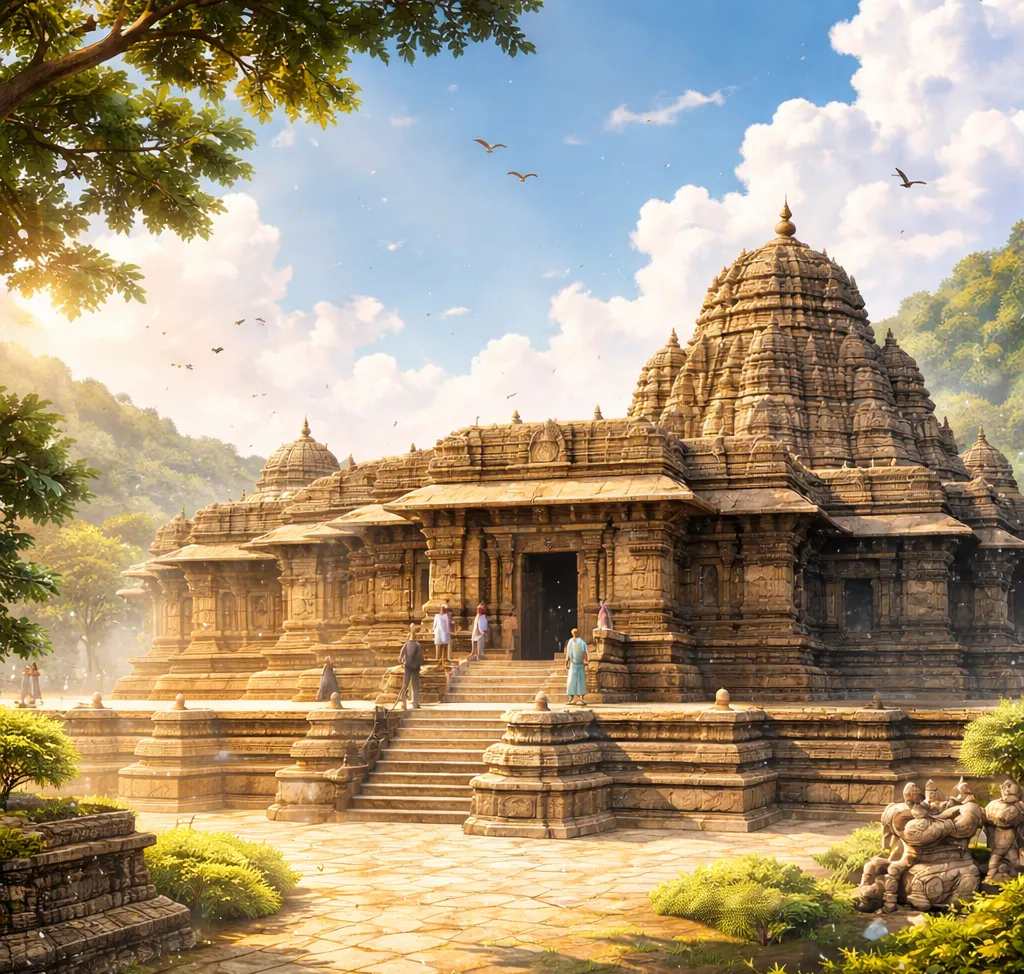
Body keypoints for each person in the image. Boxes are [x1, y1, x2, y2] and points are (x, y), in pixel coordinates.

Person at [398, 623, 424, 710]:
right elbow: (420, 657)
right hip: (415, 668)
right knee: (415, 686)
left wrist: (403, 661)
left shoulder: (406, 644)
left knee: (405, 685)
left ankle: (403, 704)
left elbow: (400, 656)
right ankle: (415, 704)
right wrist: (419, 664)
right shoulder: (418, 645)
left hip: (408, 667)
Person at [564, 627, 589, 705]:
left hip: (580, 665)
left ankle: (581, 698)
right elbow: (569, 653)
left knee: (580, 681)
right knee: (572, 681)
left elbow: (585, 653)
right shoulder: (572, 642)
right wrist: (567, 662)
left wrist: (586, 661)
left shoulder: (581, 642)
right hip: (574, 664)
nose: (574, 634)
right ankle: (571, 698)